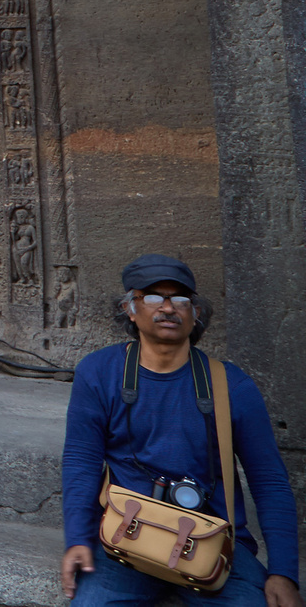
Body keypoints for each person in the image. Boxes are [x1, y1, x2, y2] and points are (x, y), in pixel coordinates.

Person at [61, 255, 298, 607]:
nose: (169, 308)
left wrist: (284, 572)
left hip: (208, 540)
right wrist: (77, 539)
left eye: (181, 299)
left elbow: (269, 479)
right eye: (154, 297)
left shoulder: (231, 386)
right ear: (130, 309)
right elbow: (80, 459)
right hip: (124, 537)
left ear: (196, 313)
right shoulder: (99, 372)